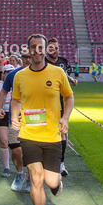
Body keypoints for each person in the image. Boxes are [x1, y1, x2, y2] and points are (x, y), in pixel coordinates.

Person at [10, 34, 74, 205]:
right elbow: (16, 100)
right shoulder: (20, 75)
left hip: (53, 136)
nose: (37, 51)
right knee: (36, 178)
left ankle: (56, 184)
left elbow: (69, 96)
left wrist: (65, 118)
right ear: (28, 50)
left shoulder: (57, 73)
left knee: (51, 182)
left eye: (41, 47)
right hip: (29, 135)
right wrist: (14, 116)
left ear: (45, 50)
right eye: (33, 47)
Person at [2, 48, 32, 192]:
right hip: (16, 118)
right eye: (25, 57)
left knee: (32, 151)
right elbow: (3, 91)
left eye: (30, 57)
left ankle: (32, 178)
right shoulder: (13, 74)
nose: (28, 60)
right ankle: (20, 174)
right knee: (15, 150)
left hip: (35, 119)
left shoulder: (42, 74)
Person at [45, 37, 76, 177]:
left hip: (61, 103)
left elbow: (64, 75)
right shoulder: (42, 63)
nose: (55, 50)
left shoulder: (63, 62)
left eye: (57, 48)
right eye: (52, 48)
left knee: (62, 131)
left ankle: (61, 163)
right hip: (45, 103)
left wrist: (71, 80)